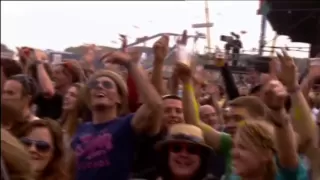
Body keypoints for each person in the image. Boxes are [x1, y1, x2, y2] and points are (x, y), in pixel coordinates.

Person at [71, 47, 163, 180]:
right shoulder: (82, 128)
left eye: (107, 85)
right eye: (95, 85)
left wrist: (130, 64)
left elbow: (155, 105)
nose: (100, 86)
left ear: (120, 98)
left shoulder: (127, 124)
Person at [231, 121, 308, 180]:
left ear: (267, 153)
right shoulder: (232, 178)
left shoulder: (284, 176)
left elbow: (288, 156)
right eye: (234, 147)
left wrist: (278, 114)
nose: (233, 153)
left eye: (243, 147)